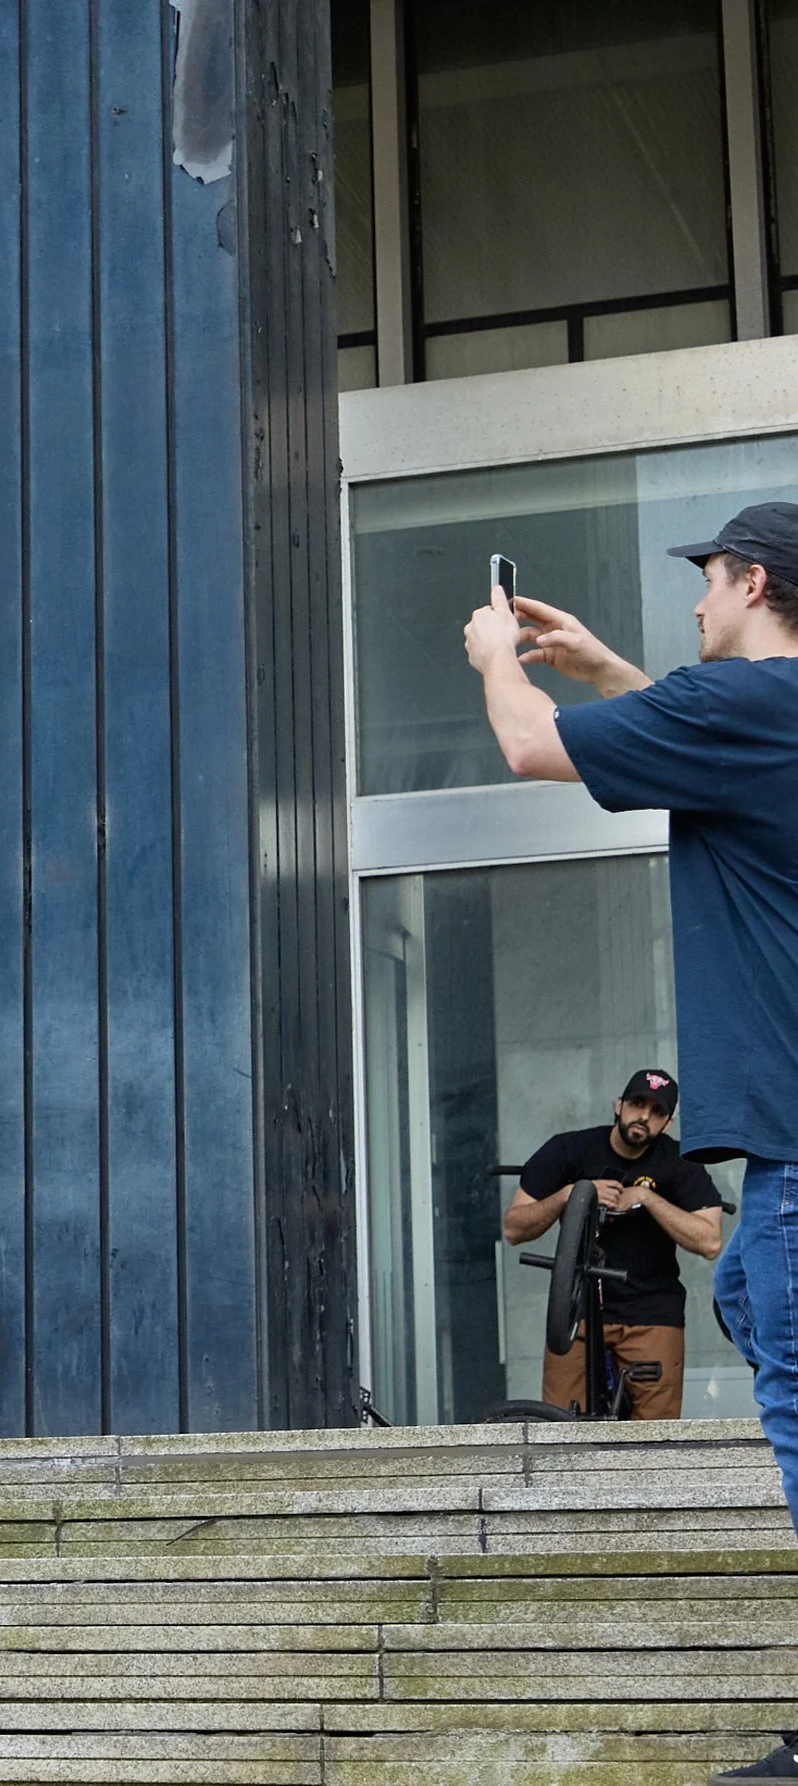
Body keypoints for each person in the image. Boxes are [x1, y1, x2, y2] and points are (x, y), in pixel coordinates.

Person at [459, 503, 798, 1785]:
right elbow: (695, 732)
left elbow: (529, 746)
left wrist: (498, 649)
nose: (698, 603)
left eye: (706, 581)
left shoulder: (744, 708)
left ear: (750, 579)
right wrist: (604, 666)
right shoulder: (765, 721)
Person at [500, 1070, 723, 1419]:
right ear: (618, 1105)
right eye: (636, 1104)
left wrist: (647, 1199)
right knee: (559, 1429)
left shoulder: (678, 1162)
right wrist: (571, 1194)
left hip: (652, 1312)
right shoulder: (570, 1149)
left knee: (654, 1438)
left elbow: (710, 1241)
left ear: (667, 1122)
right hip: (576, 1312)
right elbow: (513, 1228)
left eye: (657, 1112)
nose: (644, 1117)